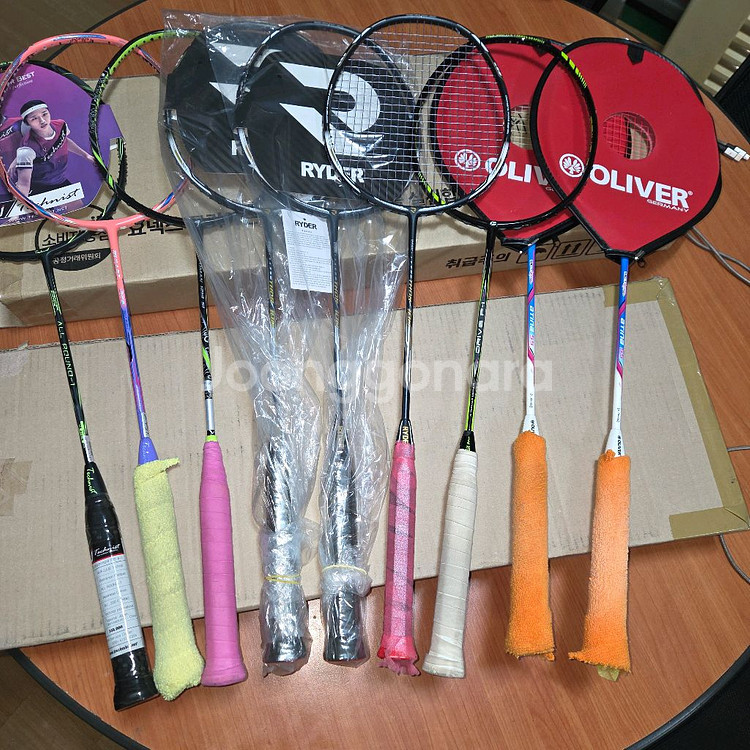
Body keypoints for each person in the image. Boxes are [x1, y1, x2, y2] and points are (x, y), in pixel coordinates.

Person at [13, 99, 95, 198]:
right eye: (34, 118)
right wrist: (22, 201)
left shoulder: (61, 125)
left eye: (44, 114)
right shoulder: (27, 149)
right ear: (27, 123)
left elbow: (64, 141)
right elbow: (23, 184)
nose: (42, 121)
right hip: (39, 187)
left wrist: (86, 155)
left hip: (59, 180)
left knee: (78, 205)